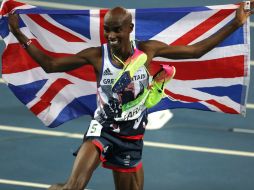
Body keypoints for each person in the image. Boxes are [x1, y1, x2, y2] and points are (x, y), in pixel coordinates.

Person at [8, 1, 253, 190]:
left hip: (132, 136)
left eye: (117, 30)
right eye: (107, 30)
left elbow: (197, 51)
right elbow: (51, 65)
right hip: (102, 129)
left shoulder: (148, 51)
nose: (111, 36)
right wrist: (20, 36)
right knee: (74, 186)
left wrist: (235, 22)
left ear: (130, 28)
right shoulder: (97, 55)